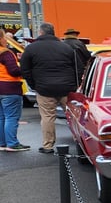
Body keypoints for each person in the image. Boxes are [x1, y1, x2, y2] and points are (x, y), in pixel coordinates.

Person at [19, 22, 79, 154]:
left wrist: (34, 84)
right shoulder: (66, 48)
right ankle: (79, 141)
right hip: (66, 88)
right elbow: (77, 68)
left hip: (44, 88)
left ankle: (48, 145)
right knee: (73, 116)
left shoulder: (31, 49)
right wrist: (74, 85)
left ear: (41, 33)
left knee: (47, 117)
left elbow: (25, 69)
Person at [0, 34, 30, 151]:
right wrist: (23, 67)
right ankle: (12, 143)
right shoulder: (6, 53)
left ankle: (2, 143)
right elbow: (13, 71)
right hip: (10, 88)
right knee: (11, 117)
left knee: (1, 117)